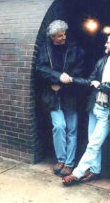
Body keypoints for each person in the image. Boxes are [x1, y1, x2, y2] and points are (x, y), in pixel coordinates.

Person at [62, 32, 110, 185]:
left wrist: (100, 85)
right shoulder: (103, 61)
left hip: (108, 111)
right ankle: (95, 170)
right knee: (93, 142)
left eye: (108, 42)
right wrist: (72, 79)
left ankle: (76, 174)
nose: (105, 45)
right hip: (95, 108)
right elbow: (90, 80)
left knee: (94, 144)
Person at [36, 20, 85, 177]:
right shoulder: (45, 49)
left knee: (72, 129)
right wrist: (57, 77)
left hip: (70, 95)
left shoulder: (75, 49)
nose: (64, 37)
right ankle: (61, 159)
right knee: (58, 126)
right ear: (52, 38)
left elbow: (79, 72)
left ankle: (69, 163)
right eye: (60, 36)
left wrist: (62, 84)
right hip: (53, 96)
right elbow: (40, 69)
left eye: (64, 34)